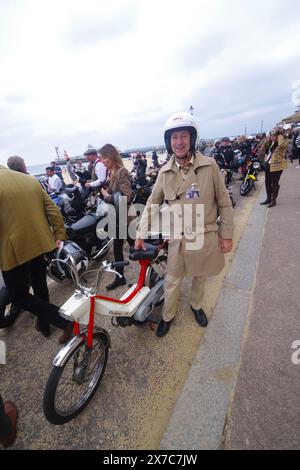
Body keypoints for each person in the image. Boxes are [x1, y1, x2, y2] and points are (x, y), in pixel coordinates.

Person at [135, 112, 233, 337]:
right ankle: (168, 316)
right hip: (178, 236)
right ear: (169, 142)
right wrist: (140, 233)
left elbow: (224, 203)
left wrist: (226, 234)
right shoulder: (165, 172)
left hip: (204, 233)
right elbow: (152, 203)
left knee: (201, 275)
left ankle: (196, 306)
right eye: (174, 137)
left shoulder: (210, 166)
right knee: (173, 279)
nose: (179, 142)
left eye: (183, 136)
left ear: (192, 139)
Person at [0, 165, 74, 343]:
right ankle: (44, 323)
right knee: (39, 285)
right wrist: (59, 234)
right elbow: (53, 210)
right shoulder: (29, 179)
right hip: (39, 243)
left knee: (19, 296)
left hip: (13, 251)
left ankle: (64, 321)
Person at [99, 143, 133, 290]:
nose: (102, 161)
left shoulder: (121, 171)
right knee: (119, 248)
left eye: (103, 158)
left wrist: (106, 195)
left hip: (124, 217)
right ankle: (120, 277)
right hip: (117, 217)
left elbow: (127, 196)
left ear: (111, 156)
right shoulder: (111, 172)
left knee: (134, 246)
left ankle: (151, 270)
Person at [260, 129, 288, 208]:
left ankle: (273, 200)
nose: (272, 137)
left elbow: (282, 145)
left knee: (274, 184)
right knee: (267, 183)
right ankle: (268, 198)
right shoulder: (270, 143)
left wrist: (279, 135)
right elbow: (262, 150)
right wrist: (267, 140)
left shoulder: (282, 143)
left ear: (278, 136)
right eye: (271, 136)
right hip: (269, 165)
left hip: (277, 167)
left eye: (274, 136)